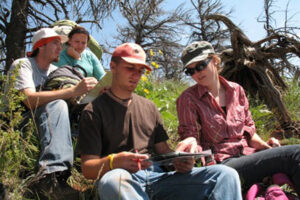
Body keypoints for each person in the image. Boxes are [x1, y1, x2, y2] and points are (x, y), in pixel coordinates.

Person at [78, 42, 243, 200]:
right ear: (113, 67)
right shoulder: (93, 111)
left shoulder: (149, 107)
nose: (136, 76)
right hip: (124, 178)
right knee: (113, 182)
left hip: (160, 178)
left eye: (141, 70)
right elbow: (88, 169)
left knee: (225, 175)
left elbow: (164, 151)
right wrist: (114, 161)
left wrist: (179, 162)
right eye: (130, 68)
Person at [176, 41, 300, 195]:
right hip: (222, 164)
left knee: (287, 155)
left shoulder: (237, 90)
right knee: (295, 155)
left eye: (200, 66)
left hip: (248, 155)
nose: (196, 73)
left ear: (215, 60)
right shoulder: (188, 98)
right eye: (190, 71)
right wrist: (190, 147)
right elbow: (190, 136)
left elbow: (249, 132)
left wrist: (267, 148)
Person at [9, 27, 98, 199]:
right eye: (56, 43)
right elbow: (28, 100)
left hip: (46, 124)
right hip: (17, 125)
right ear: (41, 46)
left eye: (61, 44)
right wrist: (72, 91)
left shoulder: (53, 72)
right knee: (57, 105)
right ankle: (51, 178)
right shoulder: (24, 65)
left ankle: (96, 168)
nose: (60, 47)